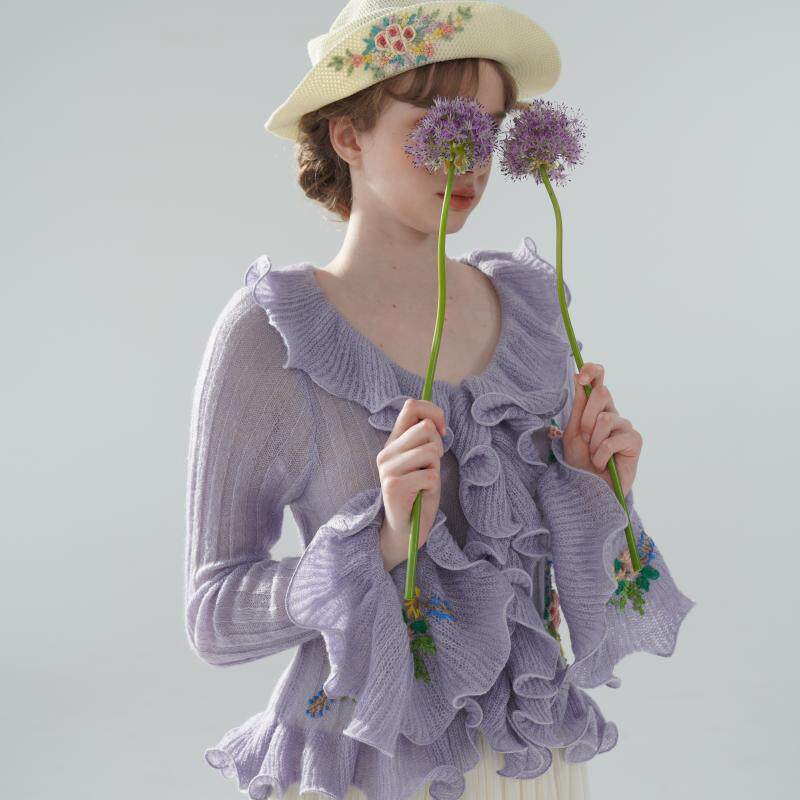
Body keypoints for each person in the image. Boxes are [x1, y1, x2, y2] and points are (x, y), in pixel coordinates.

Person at [183, 2, 696, 798]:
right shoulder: (269, 335)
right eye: (437, 120)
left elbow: (570, 600)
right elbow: (213, 616)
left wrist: (593, 492)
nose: (469, 153)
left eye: (486, 127)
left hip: (530, 764)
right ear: (348, 136)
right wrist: (377, 545)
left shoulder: (530, 314)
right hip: (365, 766)